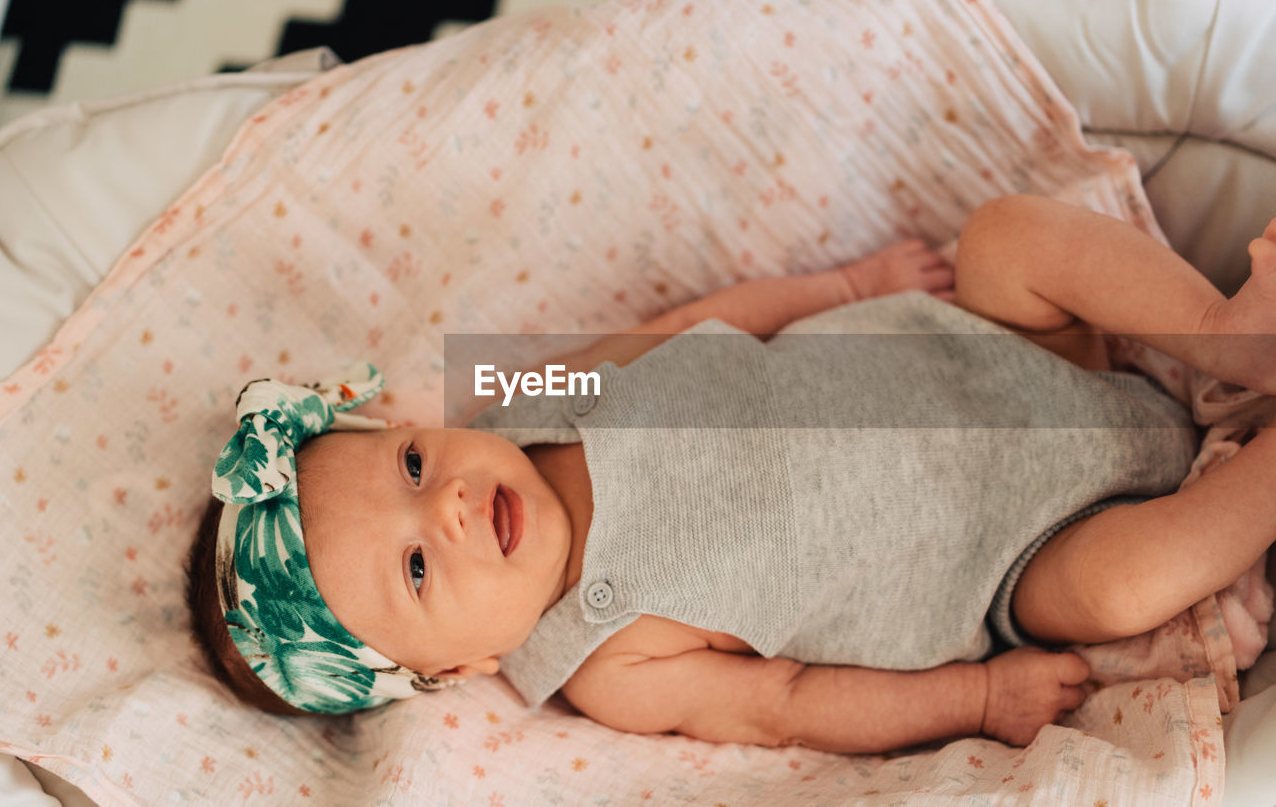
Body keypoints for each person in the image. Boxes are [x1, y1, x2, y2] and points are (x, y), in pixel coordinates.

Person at [185, 194, 1276, 752]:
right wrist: (976, 695)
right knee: (1122, 590)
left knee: (1006, 236)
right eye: (418, 568)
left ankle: (1228, 336)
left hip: (991, 348)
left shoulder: (528, 400)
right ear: (458, 668)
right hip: (1024, 549)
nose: (454, 503)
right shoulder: (606, 660)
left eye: (413, 464)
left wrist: (844, 280)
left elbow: (696, 324)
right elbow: (784, 705)